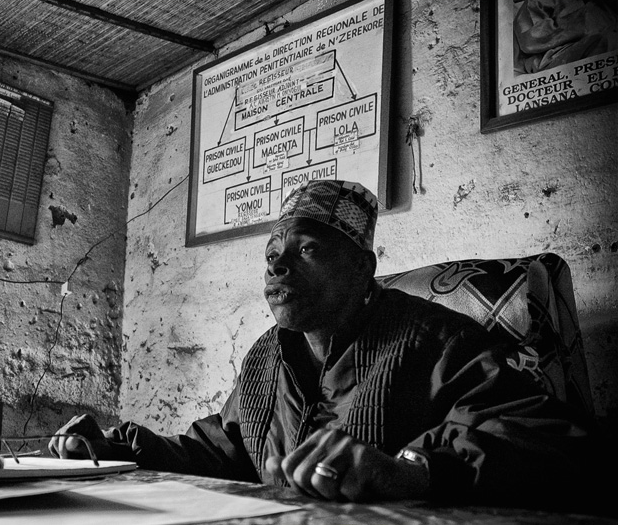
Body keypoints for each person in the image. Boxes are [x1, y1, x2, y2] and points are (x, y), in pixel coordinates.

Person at [49, 180, 609, 510]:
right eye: (272, 253)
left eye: (307, 249)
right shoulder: (268, 354)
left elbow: (552, 441)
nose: (277, 264)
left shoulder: (437, 340)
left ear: (363, 267)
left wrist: (413, 470)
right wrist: (120, 448)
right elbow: (227, 449)